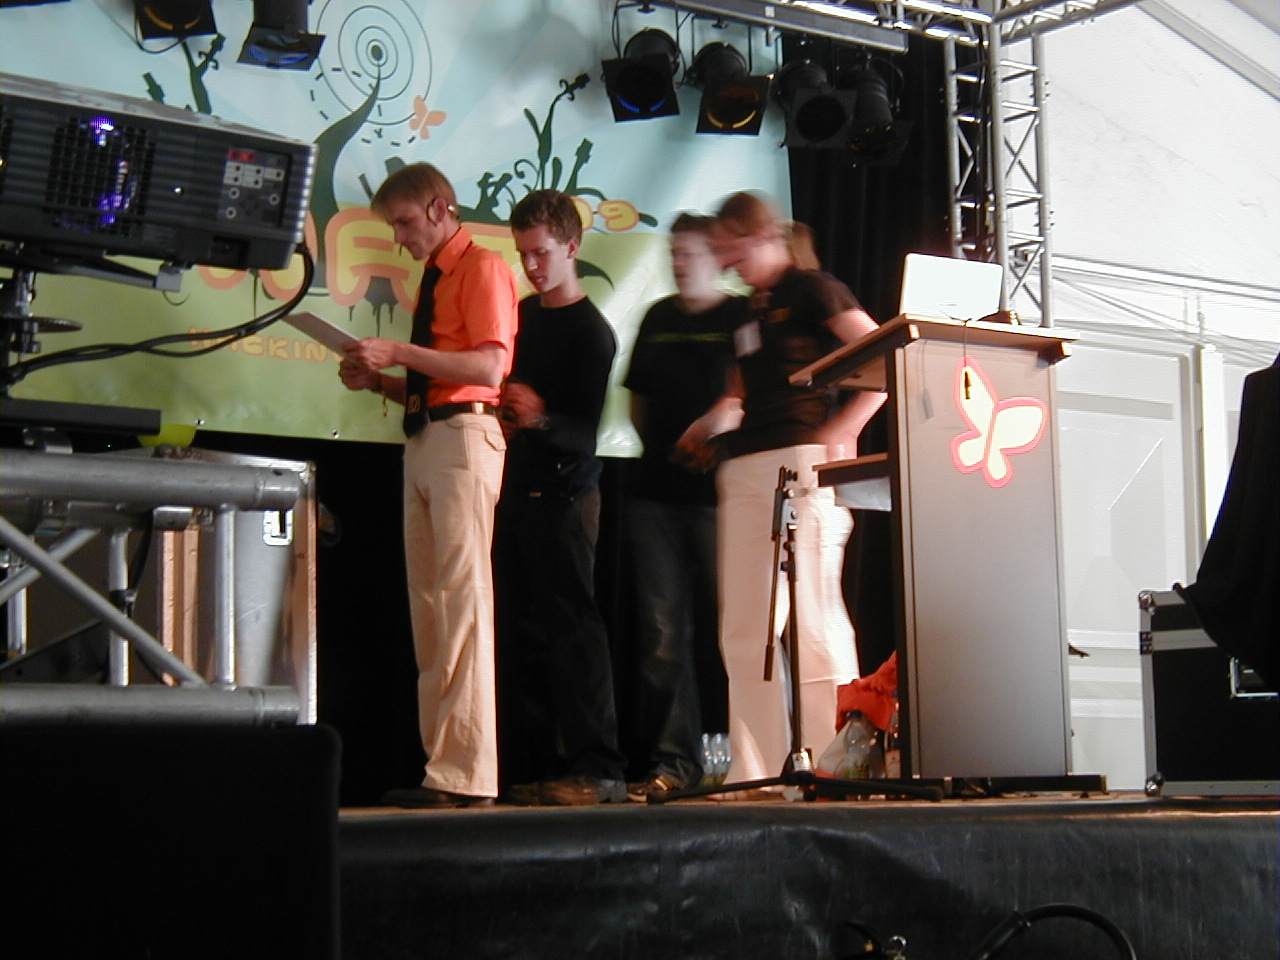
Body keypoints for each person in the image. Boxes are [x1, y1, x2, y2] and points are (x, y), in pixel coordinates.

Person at [679, 192, 885, 791]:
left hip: (801, 463)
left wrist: (842, 429)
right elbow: (739, 391)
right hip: (744, 470)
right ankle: (758, 771)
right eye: (721, 254)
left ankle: (837, 764)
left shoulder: (814, 289)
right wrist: (709, 424)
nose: (728, 264)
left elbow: (884, 357)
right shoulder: (750, 311)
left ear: (765, 236)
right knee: (746, 630)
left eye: (733, 250)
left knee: (814, 621)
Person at [338, 162, 518, 808]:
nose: (399, 237)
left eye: (406, 222)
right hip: (427, 436)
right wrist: (380, 381)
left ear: (441, 208)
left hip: (464, 438)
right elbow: (438, 378)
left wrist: (399, 354)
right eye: (394, 226)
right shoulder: (436, 277)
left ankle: (468, 774)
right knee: (431, 610)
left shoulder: (483, 267)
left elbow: (490, 367)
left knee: (462, 603)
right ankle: (444, 767)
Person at [495, 189, 627, 805]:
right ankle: (547, 767)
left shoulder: (591, 332)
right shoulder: (521, 315)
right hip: (515, 490)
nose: (531, 266)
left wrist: (538, 417)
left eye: (541, 253)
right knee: (524, 637)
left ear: (572, 247)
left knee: (575, 636)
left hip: (568, 497)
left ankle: (599, 769)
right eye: (523, 254)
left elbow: (586, 434)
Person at [622, 213, 744, 799]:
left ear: (718, 257)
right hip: (655, 497)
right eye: (673, 253)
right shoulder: (658, 318)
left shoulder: (739, 317)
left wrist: (713, 443)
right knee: (661, 637)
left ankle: (753, 759)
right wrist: (662, 451)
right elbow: (638, 400)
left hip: (724, 497)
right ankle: (675, 763)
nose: (679, 263)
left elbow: (748, 398)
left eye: (690, 253)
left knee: (740, 631)